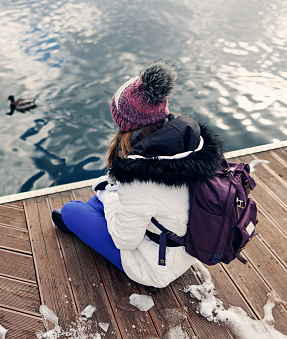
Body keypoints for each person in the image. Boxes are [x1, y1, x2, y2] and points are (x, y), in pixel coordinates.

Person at [52, 60, 224, 288]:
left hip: (155, 266)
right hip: (184, 246)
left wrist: (111, 197)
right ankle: (97, 206)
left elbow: (125, 239)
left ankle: (83, 214)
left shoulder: (141, 176)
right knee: (104, 194)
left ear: (125, 122)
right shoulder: (191, 145)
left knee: (72, 211)